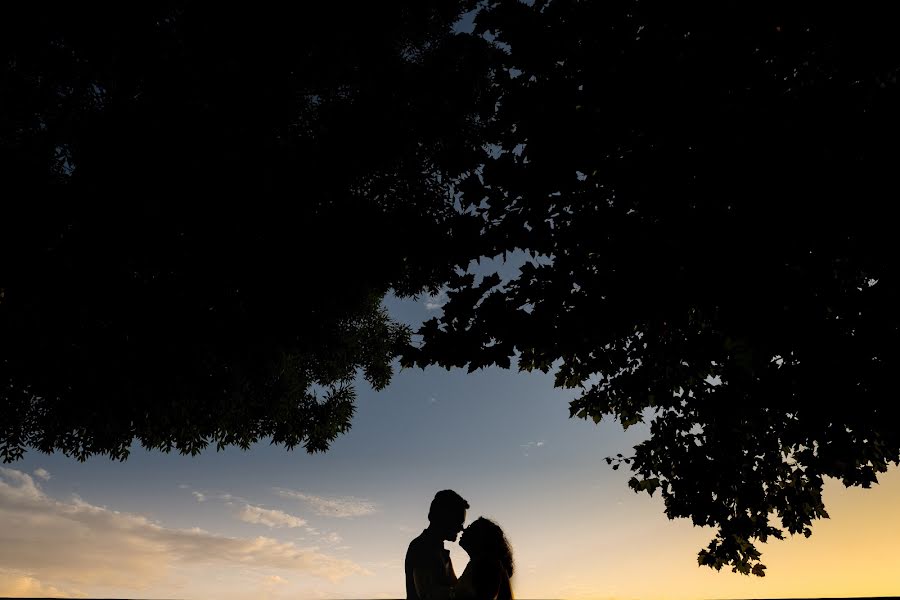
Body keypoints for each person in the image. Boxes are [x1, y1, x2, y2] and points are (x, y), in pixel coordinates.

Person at [405, 490, 469, 600]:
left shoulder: (439, 551)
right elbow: (427, 594)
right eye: (459, 521)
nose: (461, 528)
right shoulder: (421, 547)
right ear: (445, 517)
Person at [453, 517, 514, 600]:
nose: (464, 529)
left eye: (471, 528)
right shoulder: (481, 562)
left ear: (481, 537)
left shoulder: (488, 564)